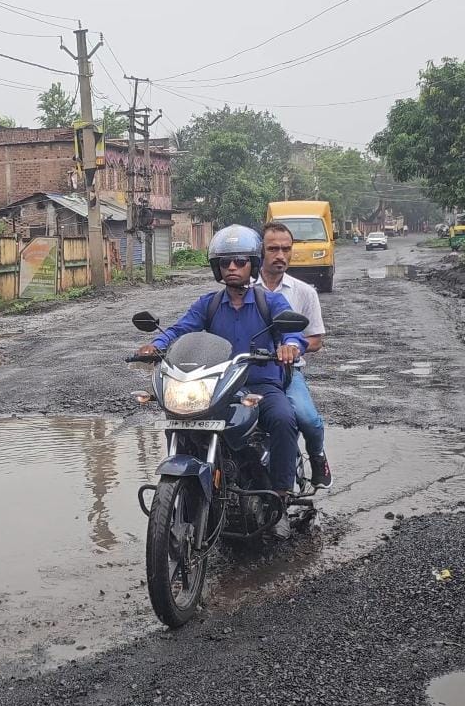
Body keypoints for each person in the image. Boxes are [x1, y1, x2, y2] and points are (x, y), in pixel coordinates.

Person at [135, 225, 307, 538]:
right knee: (180, 418)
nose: (232, 267)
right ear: (217, 268)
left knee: (284, 418)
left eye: (239, 261)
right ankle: (190, 492)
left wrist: (290, 345)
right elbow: (180, 330)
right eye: (225, 262)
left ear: (252, 265)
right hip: (218, 388)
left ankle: (279, 500)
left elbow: (293, 332)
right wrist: (157, 346)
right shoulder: (209, 305)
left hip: (260, 386)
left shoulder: (270, 303)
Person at [257, 221, 332, 488]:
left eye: (286, 249)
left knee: (307, 419)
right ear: (260, 251)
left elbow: (316, 339)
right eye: (273, 248)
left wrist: (293, 348)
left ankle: (317, 455)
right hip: (246, 372)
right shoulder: (242, 288)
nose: (280, 255)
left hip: (287, 373)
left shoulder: (304, 292)